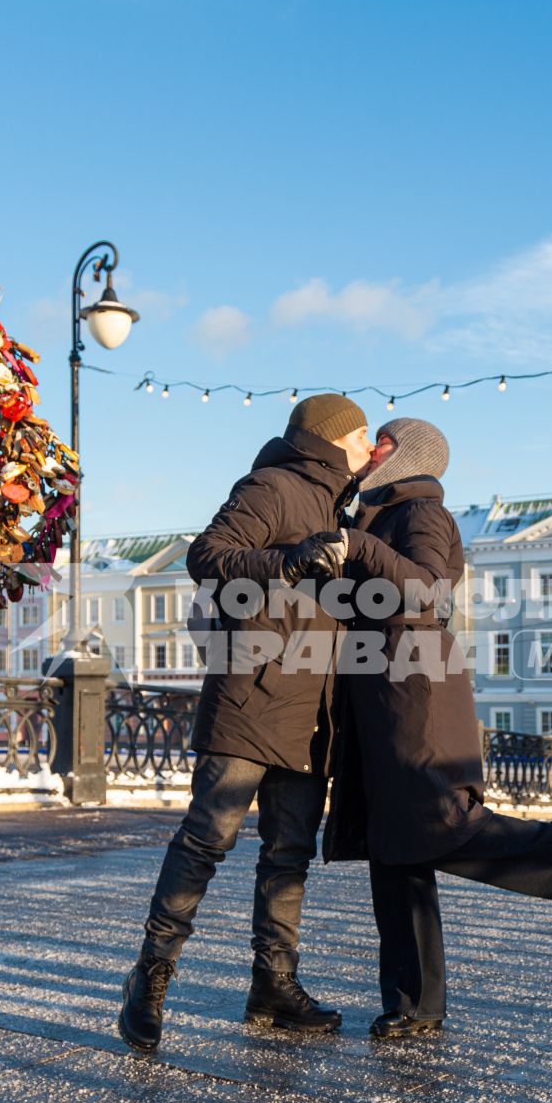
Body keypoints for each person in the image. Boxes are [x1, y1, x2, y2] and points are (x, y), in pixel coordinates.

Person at [320, 418, 552, 1040]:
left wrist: (355, 544)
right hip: (380, 689)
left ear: (411, 457)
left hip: (413, 691)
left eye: (385, 443)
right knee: (394, 851)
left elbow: (425, 589)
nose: (372, 451)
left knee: (437, 825)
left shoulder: (420, 512)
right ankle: (415, 1002)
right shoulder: (375, 513)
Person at [116, 394, 373, 1054]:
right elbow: (208, 555)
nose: (369, 446)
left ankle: (273, 988)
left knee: (288, 856)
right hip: (250, 699)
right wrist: (286, 560)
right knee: (206, 841)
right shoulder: (274, 486)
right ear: (328, 440)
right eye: (362, 434)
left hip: (310, 716)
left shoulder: (338, 510)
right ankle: (149, 980)